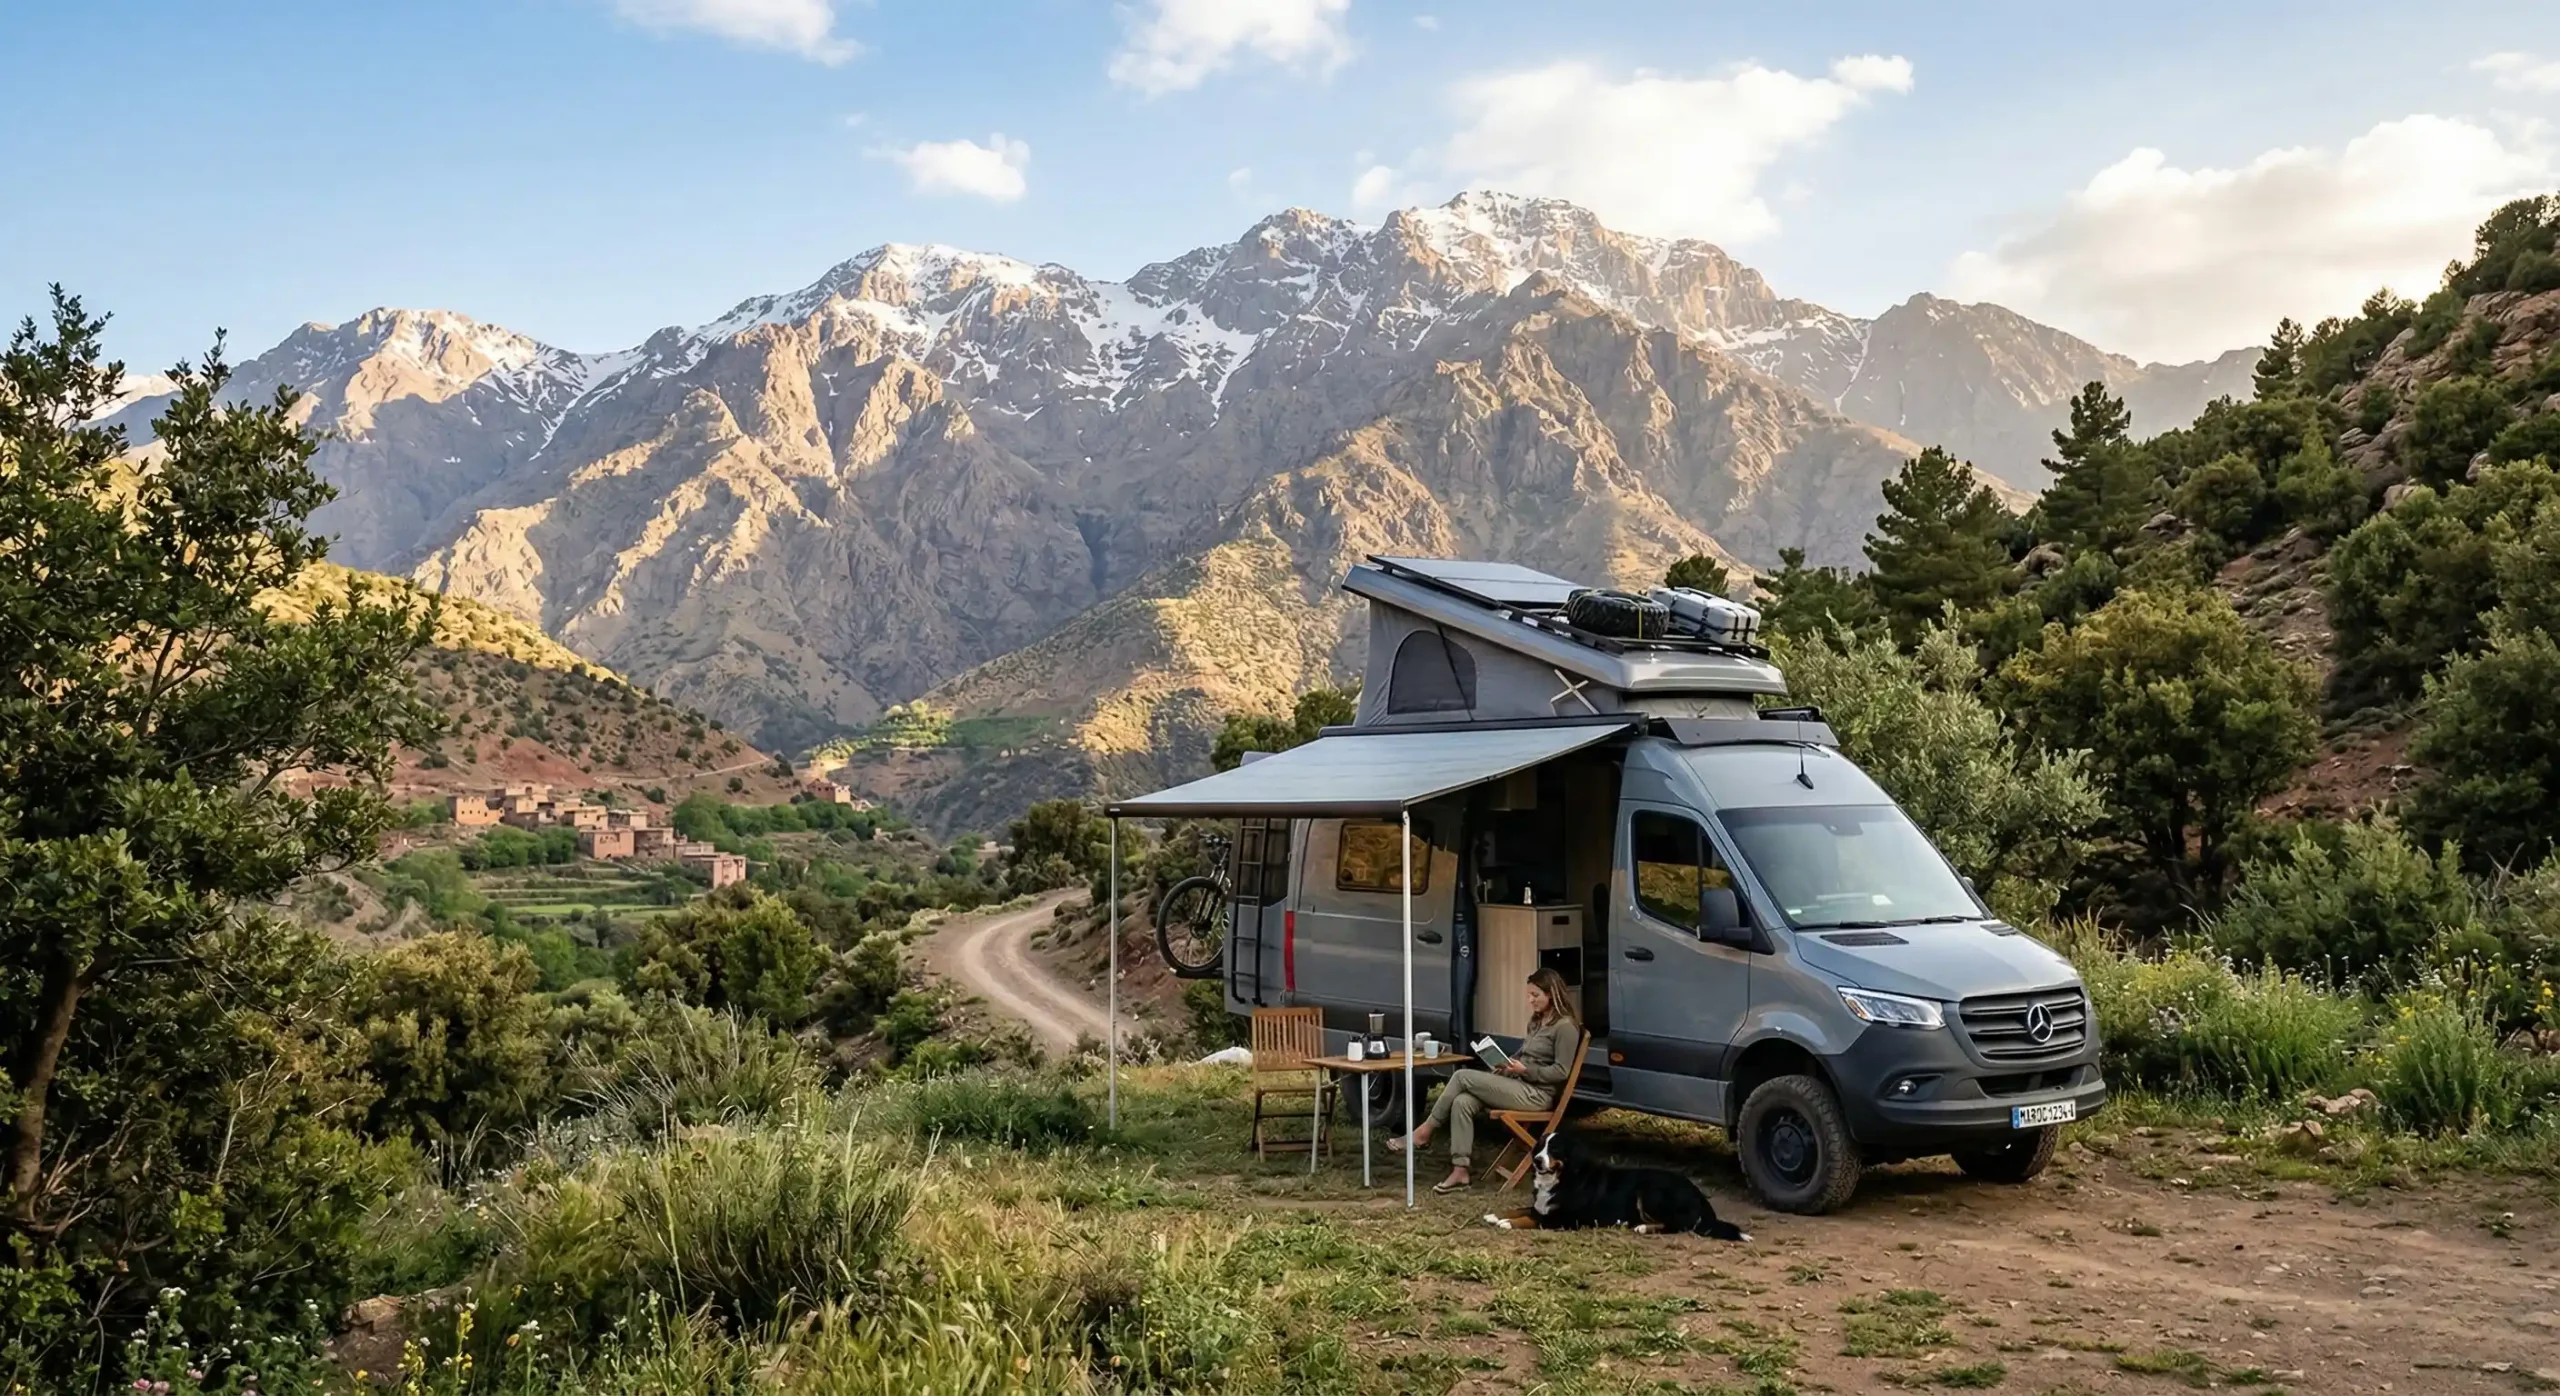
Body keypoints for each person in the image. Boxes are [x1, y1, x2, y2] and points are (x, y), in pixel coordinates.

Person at [1389, 967, 1582, 1192]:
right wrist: (1507, 1064)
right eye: (1529, 995)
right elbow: (1525, 1055)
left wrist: (1525, 1070)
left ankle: (1424, 1131)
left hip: (1537, 1094)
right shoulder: (1537, 1022)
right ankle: (1460, 1171)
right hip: (1519, 1083)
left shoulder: (1565, 1027)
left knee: (1462, 1076)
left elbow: (1561, 1071)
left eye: (1535, 995)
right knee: (1463, 1101)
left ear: (1552, 994)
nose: (1530, 1000)